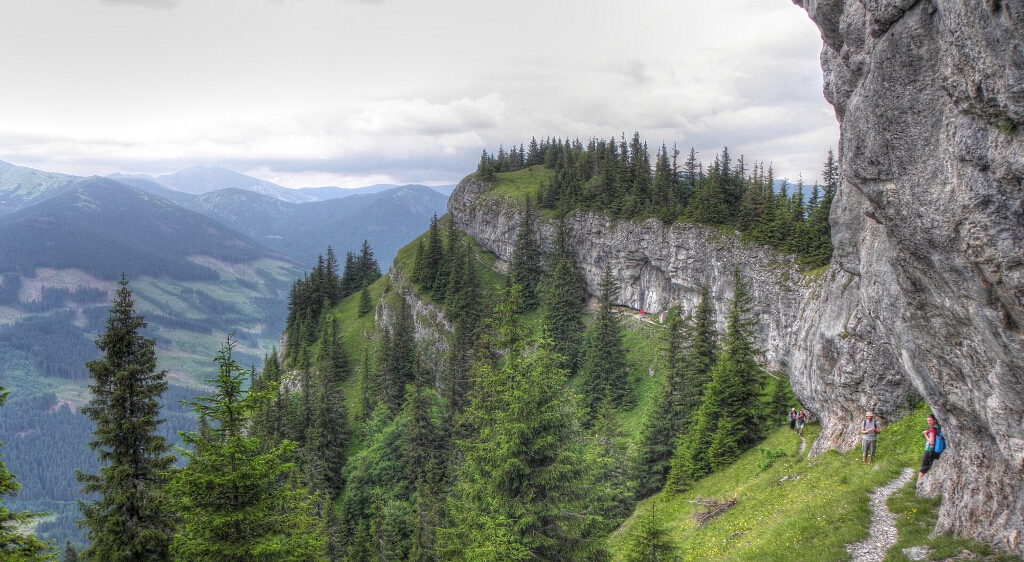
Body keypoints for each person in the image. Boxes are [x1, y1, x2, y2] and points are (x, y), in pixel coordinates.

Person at [918, 414, 942, 483]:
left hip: (930, 450)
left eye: (930, 420)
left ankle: (918, 483)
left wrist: (925, 434)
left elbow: (932, 441)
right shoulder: (939, 427)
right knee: (932, 465)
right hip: (937, 450)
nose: (929, 422)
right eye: (927, 420)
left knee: (924, 466)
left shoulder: (932, 429)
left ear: (935, 420)